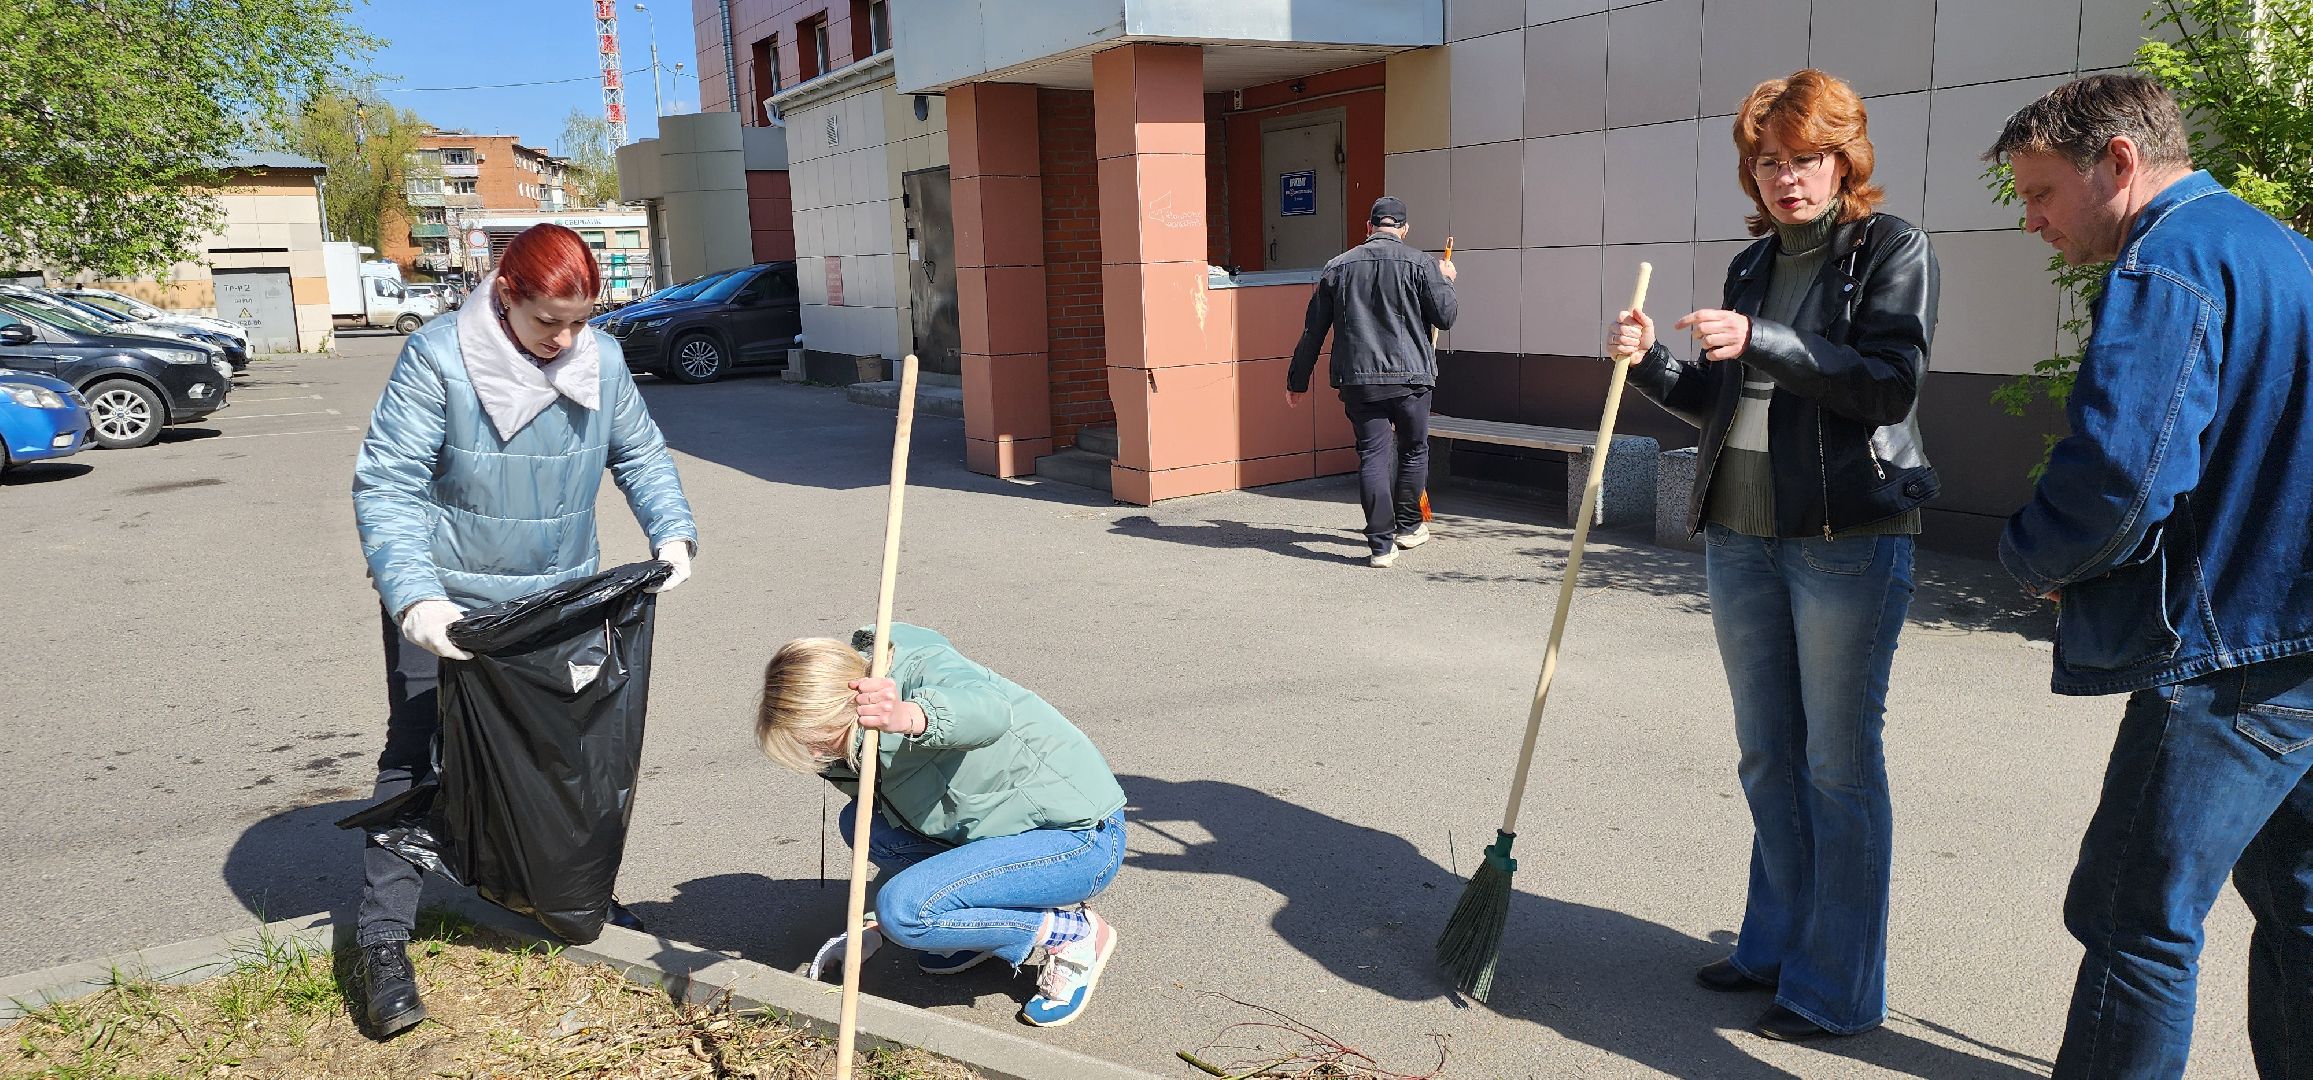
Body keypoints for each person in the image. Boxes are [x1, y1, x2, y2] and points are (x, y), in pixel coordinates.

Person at [1986, 74, 2313, 1080]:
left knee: (2136, 918)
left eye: (2041, 193)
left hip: (2229, 651)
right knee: (2303, 909)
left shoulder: (2168, 261)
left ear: (2118, 161)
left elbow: (2121, 480)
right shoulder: (2289, 253)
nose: (2032, 219)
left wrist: (2034, 560)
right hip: (2298, 639)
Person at [1608, 69, 1939, 1042]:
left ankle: (1837, 987)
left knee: (1838, 766)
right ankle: (1775, 943)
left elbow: (1886, 385)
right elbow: (1721, 402)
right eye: (1770, 161)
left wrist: (1766, 339)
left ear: (1844, 160)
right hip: (1742, 534)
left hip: (1848, 537)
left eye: (1805, 158)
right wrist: (1651, 365)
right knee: (1767, 755)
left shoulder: (1889, 251)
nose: (1786, 177)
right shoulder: (1752, 267)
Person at [350, 223, 698, 1038]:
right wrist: (415, 598)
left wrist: (671, 532)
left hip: (557, 603)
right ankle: (380, 942)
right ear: (504, 296)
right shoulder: (439, 358)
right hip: (448, 607)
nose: (567, 339)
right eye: (550, 320)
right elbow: (387, 485)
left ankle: (561, 895)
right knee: (418, 760)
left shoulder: (600, 362)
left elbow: (640, 454)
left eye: (583, 320)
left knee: (559, 758)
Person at [756, 624, 1128, 1028]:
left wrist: (911, 716)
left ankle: (1072, 934)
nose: (813, 750)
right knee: (865, 827)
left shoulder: (923, 670)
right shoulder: (845, 740)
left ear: (838, 703)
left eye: (817, 734)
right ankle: (974, 928)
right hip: (995, 834)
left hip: (1078, 839)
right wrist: (870, 927)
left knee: (906, 913)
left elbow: (989, 712)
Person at [1285, 196, 1457, 568]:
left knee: (1373, 455)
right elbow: (1445, 317)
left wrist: (1298, 380)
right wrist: (1447, 281)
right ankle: (1409, 527)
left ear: (1368, 226)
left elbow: (1314, 329)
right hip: (1412, 377)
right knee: (1413, 449)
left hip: (1359, 380)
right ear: (1404, 229)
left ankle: (1381, 546)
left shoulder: (1337, 267)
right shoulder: (1423, 263)